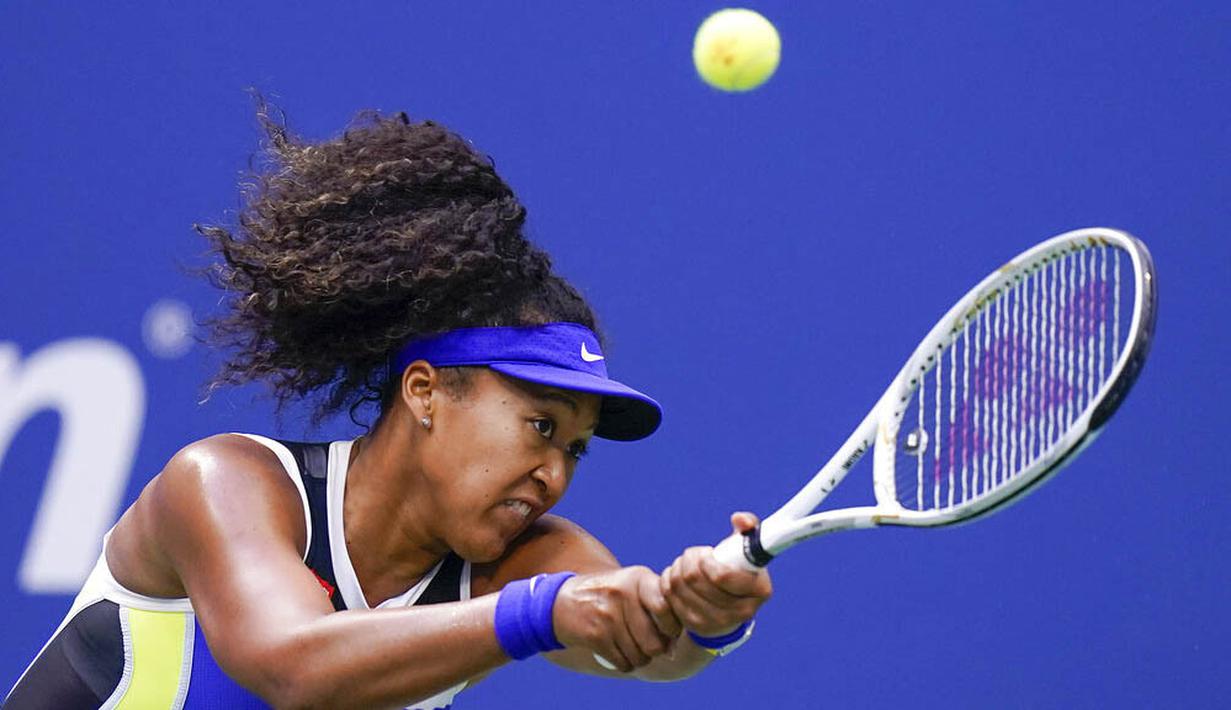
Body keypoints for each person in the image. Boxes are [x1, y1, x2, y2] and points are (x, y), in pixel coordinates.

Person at [4, 103, 772, 709]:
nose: (553, 473)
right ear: (425, 391)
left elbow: (646, 647)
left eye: (575, 447)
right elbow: (291, 667)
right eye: (540, 426)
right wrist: (541, 613)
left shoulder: (526, 560)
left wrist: (704, 617)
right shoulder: (224, 483)